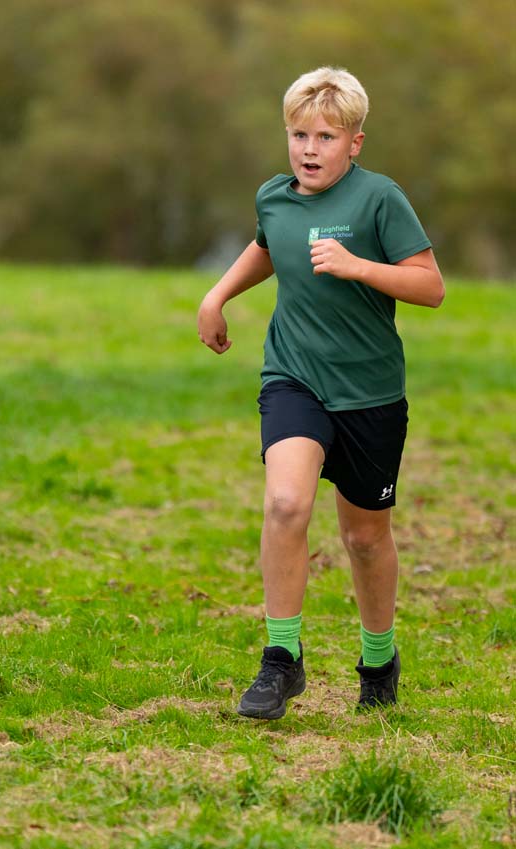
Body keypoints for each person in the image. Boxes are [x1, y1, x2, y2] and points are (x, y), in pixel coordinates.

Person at [197, 66, 445, 720]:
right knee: (284, 503)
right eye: (299, 134)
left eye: (326, 136)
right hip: (294, 376)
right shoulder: (275, 197)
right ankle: (281, 659)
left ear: (354, 143)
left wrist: (358, 265)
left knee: (365, 539)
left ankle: (379, 659)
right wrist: (217, 294)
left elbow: (430, 285)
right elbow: (269, 246)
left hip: (368, 391)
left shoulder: (380, 199)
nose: (309, 148)